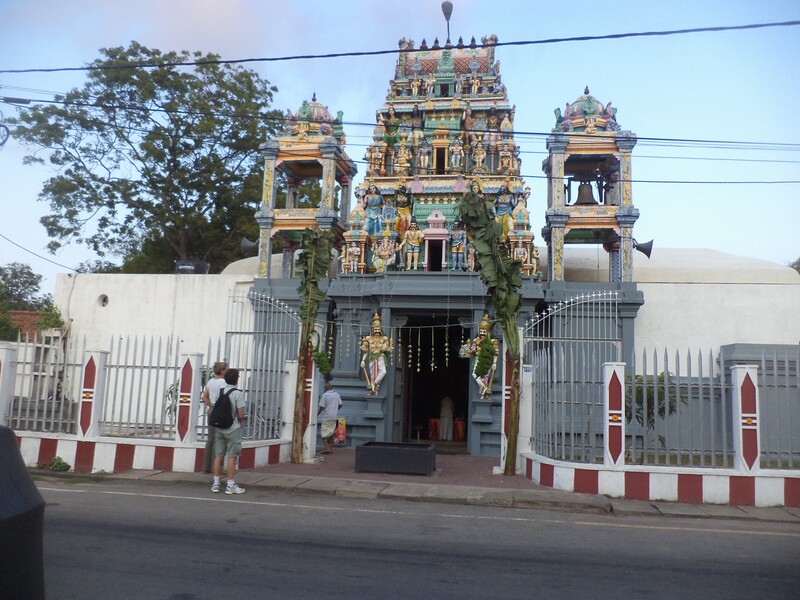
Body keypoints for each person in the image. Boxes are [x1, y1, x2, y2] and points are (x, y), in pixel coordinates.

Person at [210, 368, 247, 495]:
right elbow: (241, 414)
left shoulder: (221, 391)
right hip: (232, 428)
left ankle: (216, 484)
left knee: (218, 455)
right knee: (232, 456)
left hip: (220, 427)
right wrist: (240, 424)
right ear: (236, 379)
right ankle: (230, 485)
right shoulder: (238, 393)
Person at [201, 361, 227, 473]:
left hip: (211, 409)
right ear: (222, 370)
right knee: (219, 439)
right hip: (220, 410)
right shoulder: (224, 382)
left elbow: (204, 397)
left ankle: (205, 467)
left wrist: (210, 404)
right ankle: (216, 468)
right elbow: (225, 396)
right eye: (226, 369)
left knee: (210, 438)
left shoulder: (211, 381)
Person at [360, 313, 393, 395]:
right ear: (373, 329)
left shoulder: (384, 339)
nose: (377, 331)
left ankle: (374, 384)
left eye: (378, 329)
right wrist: (363, 360)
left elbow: (386, 348)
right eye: (375, 329)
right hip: (371, 357)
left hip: (380, 357)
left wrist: (386, 348)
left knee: (383, 371)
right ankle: (374, 390)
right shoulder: (369, 338)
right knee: (373, 374)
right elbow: (366, 351)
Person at [317, 382, 343, 455]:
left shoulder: (325, 395)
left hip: (327, 416)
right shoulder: (336, 394)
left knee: (324, 433)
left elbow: (322, 407)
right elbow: (340, 404)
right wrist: (335, 409)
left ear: (326, 388)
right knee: (331, 433)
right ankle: (330, 448)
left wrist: (317, 414)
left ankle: (327, 448)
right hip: (334, 416)